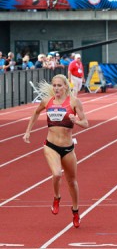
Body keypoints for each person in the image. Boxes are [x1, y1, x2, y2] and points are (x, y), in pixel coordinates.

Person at [23, 74, 89, 228]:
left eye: (59, 85)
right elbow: (35, 113)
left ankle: (75, 211)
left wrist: (76, 121)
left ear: (66, 86)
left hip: (68, 147)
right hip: (51, 145)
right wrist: (28, 131)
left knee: (72, 182)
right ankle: (57, 197)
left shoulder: (74, 102)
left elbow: (86, 123)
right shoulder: (47, 102)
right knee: (57, 174)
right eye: (54, 85)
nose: (56, 88)